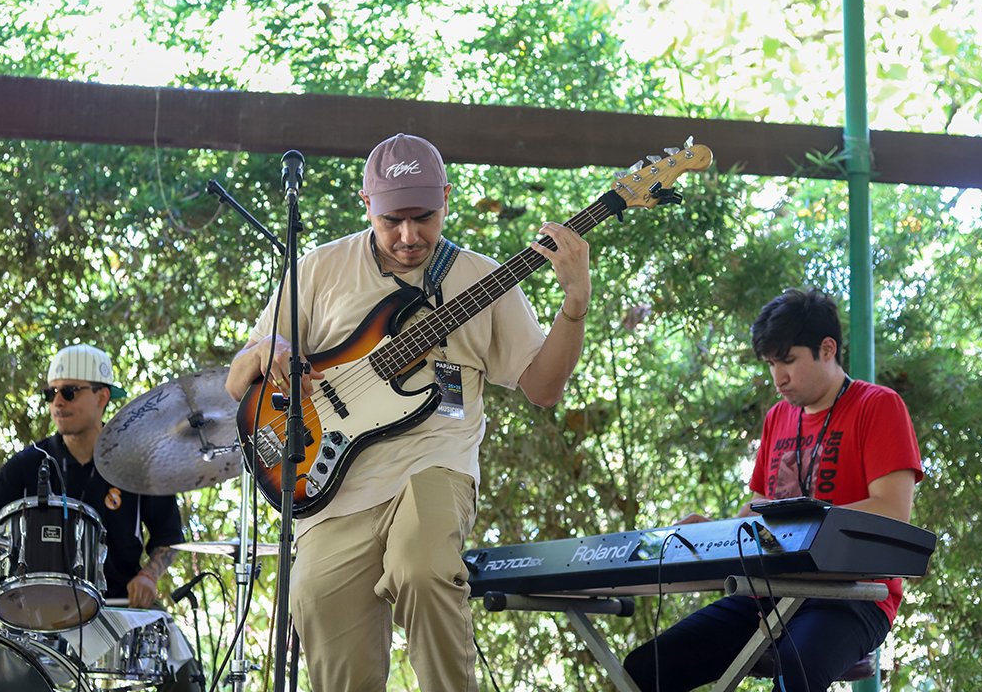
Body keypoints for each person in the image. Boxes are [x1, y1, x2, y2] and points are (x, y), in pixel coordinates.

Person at [224, 133, 593, 691]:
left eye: (424, 217)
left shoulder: (478, 277)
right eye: (392, 219)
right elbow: (235, 384)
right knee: (314, 600)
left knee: (422, 569)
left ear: (446, 197)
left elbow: (543, 388)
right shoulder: (320, 269)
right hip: (332, 479)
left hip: (433, 462)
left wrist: (574, 305)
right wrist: (265, 353)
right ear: (365, 206)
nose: (409, 236)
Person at [623, 288, 924, 692]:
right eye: (770, 364)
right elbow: (760, 512)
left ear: (827, 348)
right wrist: (712, 531)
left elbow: (892, 512)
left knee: (795, 672)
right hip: (767, 591)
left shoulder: (878, 406)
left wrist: (801, 525)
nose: (778, 377)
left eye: (788, 361)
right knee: (647, 667)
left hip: (854, 597)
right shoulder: (777, 417)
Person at [0, 344, 184, 608]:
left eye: (69, 392)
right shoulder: (25, 465)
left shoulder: (139, 462)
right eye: (51, 393)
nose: (58, 402)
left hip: (119, 610)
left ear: (102, 397)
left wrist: (149, 576)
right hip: (37, 617)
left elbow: (168, 537)